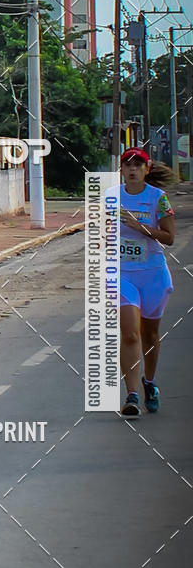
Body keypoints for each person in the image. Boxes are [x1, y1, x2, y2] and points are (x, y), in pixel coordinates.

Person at [119, 147, 175, 417]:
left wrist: (137, 226)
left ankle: (149, 384)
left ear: (146, 170)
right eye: (128, 165)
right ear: (121, 170)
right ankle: (131, 395)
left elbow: (169, 237)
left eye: (137, 165)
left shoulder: (158, 199)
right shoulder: (110, 197)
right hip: (122, 274)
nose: (132, 170)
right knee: (130, 332)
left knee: (150, 334)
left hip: (152, 273)